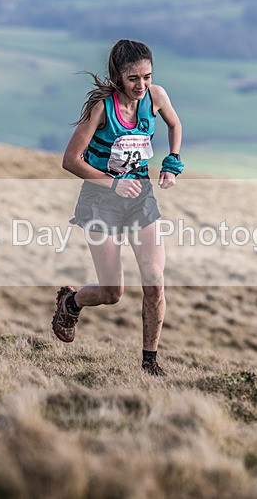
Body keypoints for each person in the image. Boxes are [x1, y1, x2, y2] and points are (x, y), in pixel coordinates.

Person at [52, 39, 184, 376]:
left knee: (154, 283)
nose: (142, 86)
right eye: (133, 79)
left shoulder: (156, 96)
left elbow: (174, 124)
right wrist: (112, 183)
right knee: (113, 292)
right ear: (117, 77)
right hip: (100, 202)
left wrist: (172, 160)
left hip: (140, 197)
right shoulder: (101, 107)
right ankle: (71, 302)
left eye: (147, 77)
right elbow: (70, 160)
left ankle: (149, 363)